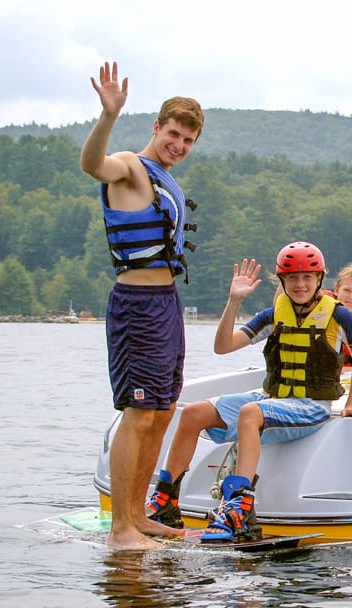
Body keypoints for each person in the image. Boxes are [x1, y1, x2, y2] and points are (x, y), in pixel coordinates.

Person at [145, 242, 352, 543]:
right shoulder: (272, 315)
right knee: (193, 413)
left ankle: (239, 506)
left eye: (307, 277)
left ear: (320, 279)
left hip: (311, 406)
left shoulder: (338, 316)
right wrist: (234, 301)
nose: (300, 284)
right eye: (292, 278)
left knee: (250, 413)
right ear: (281, 281)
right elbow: (223, 346)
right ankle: (165, 502)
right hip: (272, 400)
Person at [79, 61, 204, 550]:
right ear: (157, 127)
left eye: (188, 141)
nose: (179, 146)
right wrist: (108, 115)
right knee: (138, 411)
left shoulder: (167, 177)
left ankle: (138, 515)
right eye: (173, 134)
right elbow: (93, 165)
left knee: (163, 408)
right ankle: (121, 530)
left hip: (166, 302)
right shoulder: (130, 165)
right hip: (136, 302)